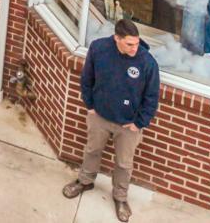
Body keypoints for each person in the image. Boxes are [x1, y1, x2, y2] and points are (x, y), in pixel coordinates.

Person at [64, 17, 160, 221]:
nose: (135, 48)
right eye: (130, 44)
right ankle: (85, 181)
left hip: (128, 125)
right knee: (92, 150)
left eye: (137, 43)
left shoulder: (147, 62)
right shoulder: (99, 49)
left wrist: (139, 123)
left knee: (124, 163)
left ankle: (120, 197)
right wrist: (89, 105)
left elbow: (151, 97)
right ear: (117, 38)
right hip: (99, 116)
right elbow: (87, 79)